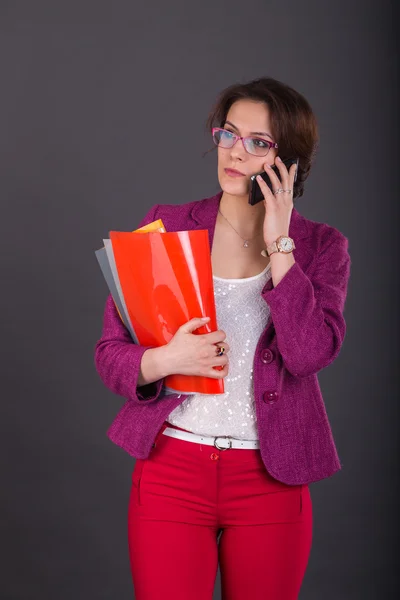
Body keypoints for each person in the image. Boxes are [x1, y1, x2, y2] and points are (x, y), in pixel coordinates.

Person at [94, 76, 351, 600]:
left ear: (290, 162)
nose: (235, 152)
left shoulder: (322, 246)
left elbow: (308, 354)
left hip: (270, 478)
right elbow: (110, 355)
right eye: (229, 134)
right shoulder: (165, 225)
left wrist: (282, 246)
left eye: (259, 142)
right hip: (172, 471)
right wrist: (167, 358)